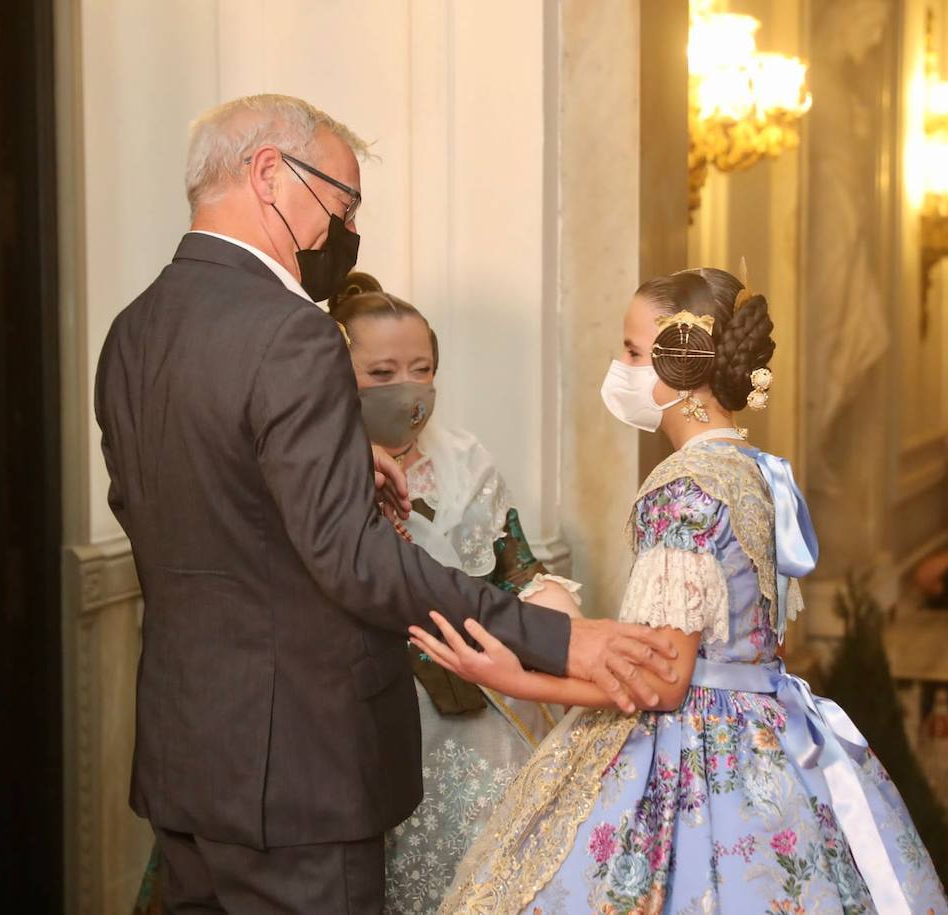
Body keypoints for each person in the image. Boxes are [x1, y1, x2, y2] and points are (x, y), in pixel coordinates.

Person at [95, 94, 676, 913]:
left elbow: (173, 508)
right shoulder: (291, 333)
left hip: (185, 758)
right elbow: (357, 561)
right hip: (298, 774)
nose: (343, 229)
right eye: (341, 201)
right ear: (269, 175)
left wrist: (324, 462)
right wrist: (555, 637)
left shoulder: (133, 330)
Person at [412, 268, 948, 911]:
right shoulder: (759, 472)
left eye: (634, 352)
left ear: (683, 360)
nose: (621, 365)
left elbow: (664, 683)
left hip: (693, 754)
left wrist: (514, 678)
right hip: (770, 736)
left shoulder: (682, 489)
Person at [330, 275, 582, 912]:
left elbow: (515, 571)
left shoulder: (468, 460)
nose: (407, 388)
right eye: (382, 371)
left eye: (422, 369)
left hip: (471, 700)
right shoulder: (315, 470)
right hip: (352, 710)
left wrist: (575, 634)